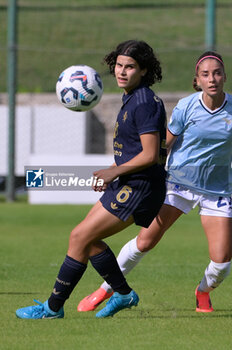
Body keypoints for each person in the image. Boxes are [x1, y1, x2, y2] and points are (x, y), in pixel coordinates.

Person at [16, 40, 167, 319]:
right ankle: (122, 293)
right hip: (128, 181)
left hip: (140, 187)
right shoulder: (133, 97)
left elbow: (150, 155)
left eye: (130, 66)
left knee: (81, 236)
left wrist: (113, 172)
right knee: (85, 238)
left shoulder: (144, 102)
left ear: (144, 70)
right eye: (119, 65)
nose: (122, 71)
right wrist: (113, 171)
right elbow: (133, 151)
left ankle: (53, 308)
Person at [78, 51, 232, 314]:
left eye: (217, 73)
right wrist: (118, 169)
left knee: (221, 262)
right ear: (197, 80)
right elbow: (162, 146)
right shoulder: (186, 106)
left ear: (224, 77)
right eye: (205, 74)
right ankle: (107, 289)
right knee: (145, 241)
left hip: (217, 190)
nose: (212, 79)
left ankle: (203, 291)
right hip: (178, 184)